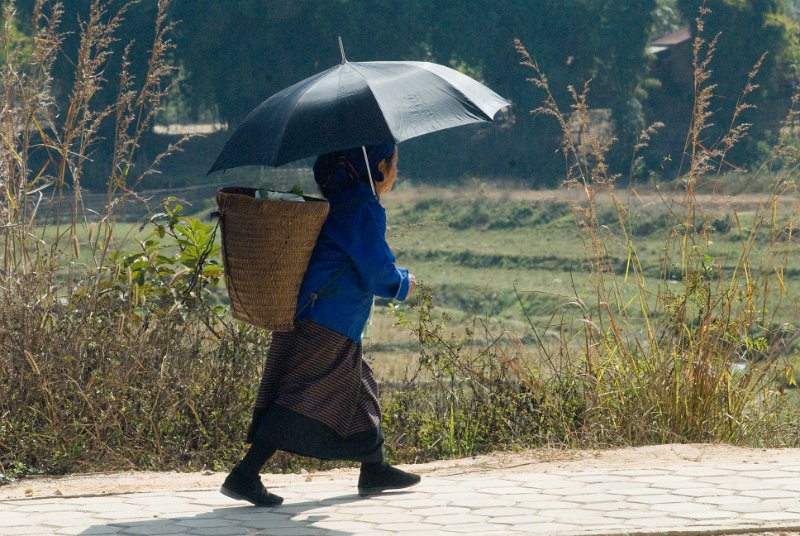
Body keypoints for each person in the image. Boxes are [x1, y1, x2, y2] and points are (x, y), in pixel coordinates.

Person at [220, 144, 420, 506]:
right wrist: (405, 282)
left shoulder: (338, 202)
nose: (396, 173)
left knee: (361, 388)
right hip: (328, 320)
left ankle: (374, 468)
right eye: (394, 164)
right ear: (378, 167)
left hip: (313, 313)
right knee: (299, 397)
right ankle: (244, 474)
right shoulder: (362, 209)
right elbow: (377, 272)